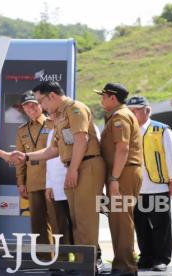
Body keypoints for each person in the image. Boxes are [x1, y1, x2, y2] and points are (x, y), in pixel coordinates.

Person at [12, 81, 105, 269]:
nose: (41, 106)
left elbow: (81, 140)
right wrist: (25, 156)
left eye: (41, 101)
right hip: (76, 166)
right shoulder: (61, 117)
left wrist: (72, 170)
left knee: (85, 220)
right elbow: (51, 151)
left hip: (86, 165)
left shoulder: (75, 109)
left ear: (52, 96)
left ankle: (90, 264)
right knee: (77, 221)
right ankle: (81, 264)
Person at [127, 96, 172, 272]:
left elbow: (171, 156)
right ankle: (146, 257)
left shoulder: (161, 130)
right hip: (137, 188)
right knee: (141, 225)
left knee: (161, 225)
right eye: (131, 110)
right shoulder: (127, 131)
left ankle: (161, 258)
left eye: (137, 110)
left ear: (147, 110)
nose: (133, 113)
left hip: (158, 185)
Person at [96, 83, 143, 275]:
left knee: (122, 220)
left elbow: (122, 149)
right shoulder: (118, 115)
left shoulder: (120, 117)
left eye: (103, 96)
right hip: (122, 172)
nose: (101, 100)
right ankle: (122, 264)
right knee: (118, 220)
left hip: (123, 173)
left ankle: (125, 267)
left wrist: (114, 178)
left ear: (112, 98)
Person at [15, 91, 58, 250]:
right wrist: (21, 182)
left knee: (57, 221)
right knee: (38, 224)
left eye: (33, 104)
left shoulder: (52, 123)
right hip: (32, 182)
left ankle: (62, 259)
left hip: (51, 181)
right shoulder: (21, 130)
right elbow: (20, 160)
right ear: (23, 109)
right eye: (26, 106)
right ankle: (44, 258)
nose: (30, 108)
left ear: (41, 105)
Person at [45, 112, 73, 246]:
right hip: (57, 185)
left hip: (70, 182)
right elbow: (49, 160)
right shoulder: (52, 132)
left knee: (78, 224)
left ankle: (91, 257)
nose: (50, 116)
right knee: (63, 224)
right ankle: (67, 257)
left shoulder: (68, 129)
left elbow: (72, 154)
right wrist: (49, 184)